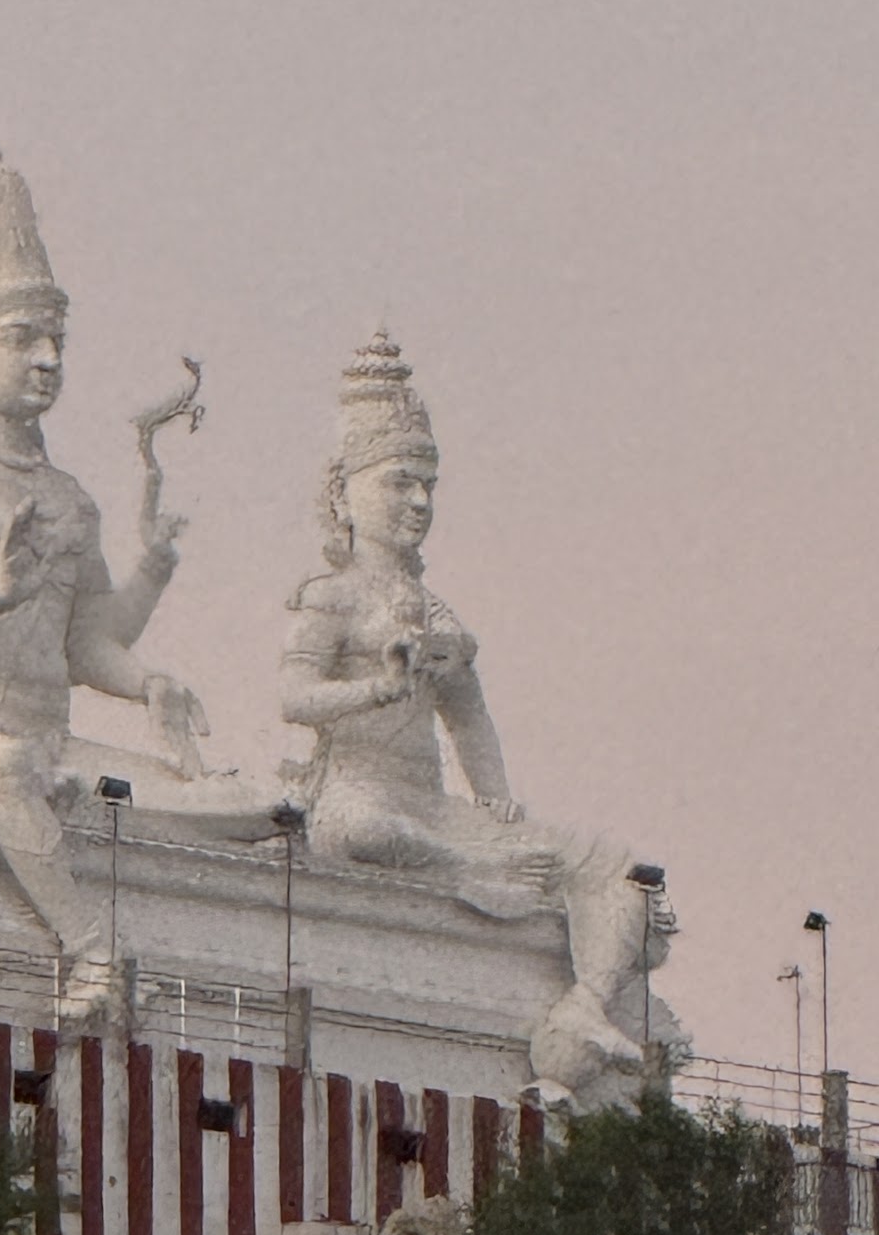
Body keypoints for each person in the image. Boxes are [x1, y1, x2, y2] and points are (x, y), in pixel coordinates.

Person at [280, 330, 675, 1101]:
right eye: (400, 482)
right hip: (359, 791)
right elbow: (293, 698)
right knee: (364, 828)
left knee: (618, 868)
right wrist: (377, 688)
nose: (419, 503)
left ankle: (585, 1003)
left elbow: (469, 719)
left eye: (428, 486)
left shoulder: (439, 614)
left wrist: (495, 800)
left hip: (432, 802)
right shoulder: (331, 597)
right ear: (344, 493)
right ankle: (476, 873)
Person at [0, 142, 204, 957]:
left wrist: (150, 661)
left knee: (230, 803)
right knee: (3, 771)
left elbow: (88, 642)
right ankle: (92, 952)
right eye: (22, 337)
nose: (48, 359)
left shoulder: (67, 498)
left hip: (54, 743)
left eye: (56, 339)